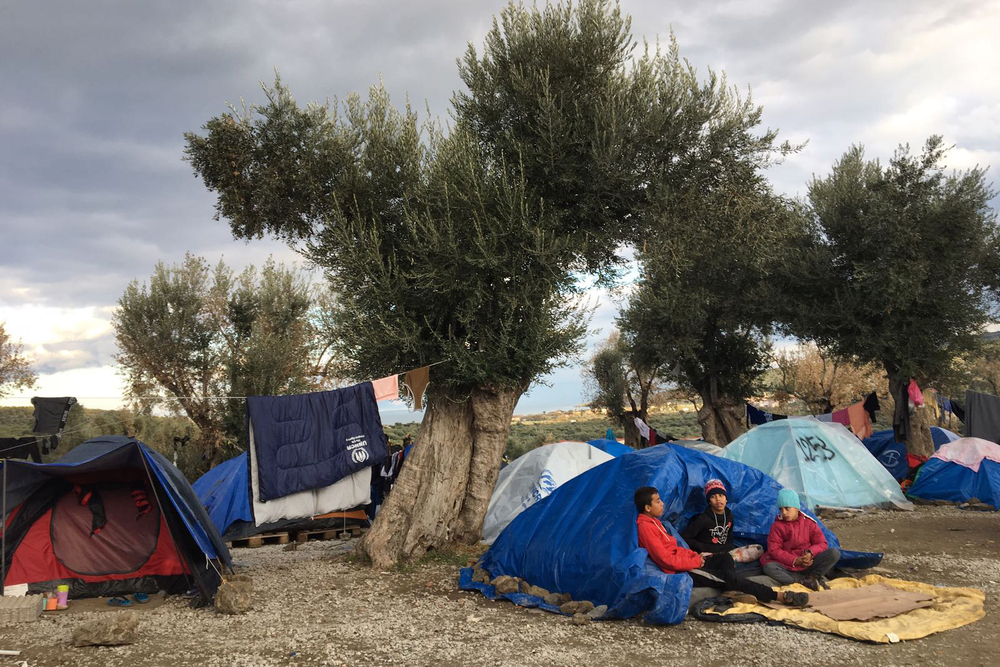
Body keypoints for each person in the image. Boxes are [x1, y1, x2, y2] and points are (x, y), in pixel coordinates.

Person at [635, 486, 808, 607]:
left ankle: (731, 588)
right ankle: (779, 596)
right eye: (658, 501)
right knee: (727, 577)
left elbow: (675, 549)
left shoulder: (656, 523)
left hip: (690, 561)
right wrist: (695, 562)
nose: (662, 503)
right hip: (681, 571)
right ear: (648, 507)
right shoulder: (646, 527)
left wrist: (695, 556)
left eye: (721, 495)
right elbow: (665, 559)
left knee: (725, 558)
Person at [760, 488, 841, 590]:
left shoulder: (809, 523)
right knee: (769, 567)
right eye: (781, 509)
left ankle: (812, 577)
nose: (784, 512)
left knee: (834, 553)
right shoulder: (777, 526)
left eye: (787, 508)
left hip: (808, 564)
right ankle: (802, 582)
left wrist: (810, 553)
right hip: (787, 566)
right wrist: (795, 561)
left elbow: (822, 543)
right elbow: (774, 550)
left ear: (796, 508)